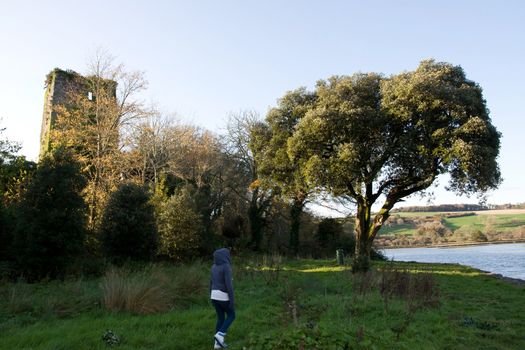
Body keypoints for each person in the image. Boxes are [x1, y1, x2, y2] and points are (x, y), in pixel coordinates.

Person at [210, 248, 235, 349]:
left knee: (220, 317)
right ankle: (220, 335)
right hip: (223, 295)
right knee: (232, 315)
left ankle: (217, 344)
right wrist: (232, 300)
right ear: (225, 256)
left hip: (213, 294)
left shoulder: (213, 266)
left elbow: (210, 283)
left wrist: (211, 296)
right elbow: (229, 285)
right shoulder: (226, 266)